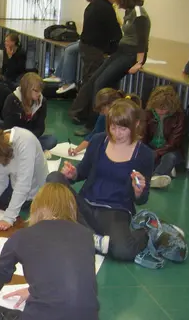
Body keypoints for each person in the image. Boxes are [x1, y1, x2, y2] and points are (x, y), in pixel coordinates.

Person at [0, 183, 99, 320]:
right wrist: (35, 290)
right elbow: (75, 281)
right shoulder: (85, 235)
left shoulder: (21, 237)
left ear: (36, 207)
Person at [47, 99, 153, 261]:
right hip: (85, 206)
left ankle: (147, 232)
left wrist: (138, 191)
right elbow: (82, 172)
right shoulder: (98, 140)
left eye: (123, 128)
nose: (117, 133)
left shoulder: (144, 154)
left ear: (136, 124)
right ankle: (91, 237)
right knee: (54, 179)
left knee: (123, 251)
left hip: (115, 211)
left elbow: (142, 199)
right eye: (113, 127)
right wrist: (72, 174)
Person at [69, 0, 150, 135]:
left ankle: (92, 126)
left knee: (100, 84)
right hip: (121, 51)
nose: (116, 2)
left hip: (130, 55)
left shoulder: (139, 13)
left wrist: (139, 62)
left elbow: (143, 40)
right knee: (94, 80)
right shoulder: (129, 12)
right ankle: (99, 121)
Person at [69, 89, 140, 156]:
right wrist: (76, 150)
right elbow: (93, 135)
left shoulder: (128, 117)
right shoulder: (103, 117)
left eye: (102, 109)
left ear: (111, 106)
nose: (101, 113)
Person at [1, 72, 58, 153]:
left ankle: (26, 151)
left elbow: (40, 127)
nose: (39, 94)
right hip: (14, 137)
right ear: (26, 89)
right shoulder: (12, 99)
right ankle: (31, 151)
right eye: (36, 91)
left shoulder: (42, 101)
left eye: (40, 91)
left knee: (52, 140)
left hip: (31, 137)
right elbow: (8, 126)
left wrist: (30, 137)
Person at [143, 85, 185, 189]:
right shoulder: (147, 114)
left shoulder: (179, 116)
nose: (160, 111)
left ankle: (156, 177)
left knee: (170, 157)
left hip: (170, 149)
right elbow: (142, 136)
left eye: (164, 108)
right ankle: (165, 168)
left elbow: (173, 143)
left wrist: (157, 153)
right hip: (151, 147)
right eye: (158, 107)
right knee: (142, 155)